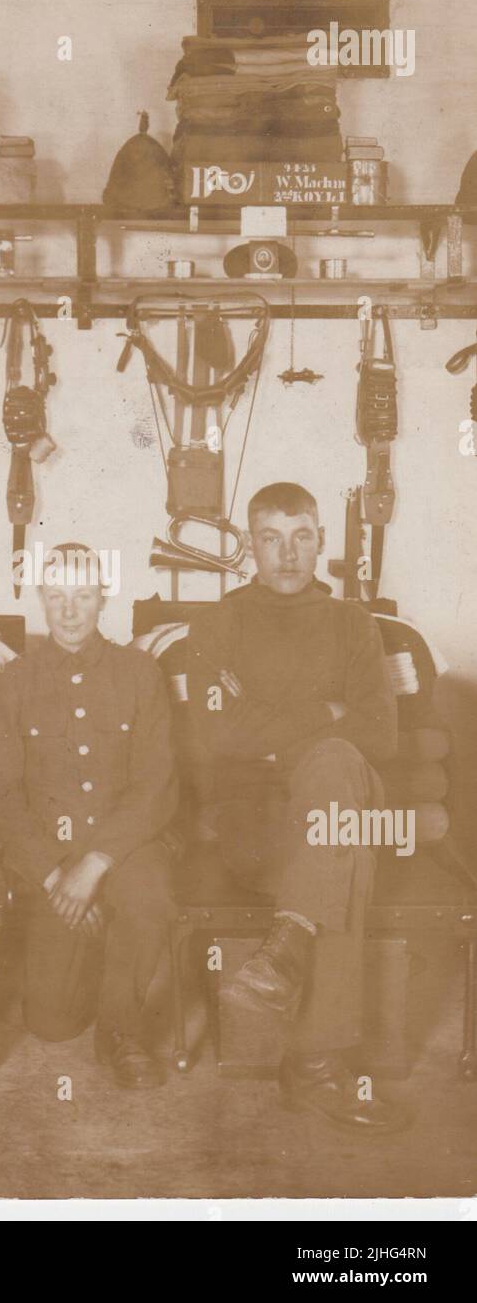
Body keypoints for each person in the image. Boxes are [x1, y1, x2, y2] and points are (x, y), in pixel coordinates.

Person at [186, 482, 406, 1132]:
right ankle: (314, 1068)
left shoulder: (351, 623)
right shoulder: (217, 623)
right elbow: (217, 736)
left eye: (302, 536)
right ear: (250, 545)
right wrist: (327, 713)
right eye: (272, 538)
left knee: (338, 778)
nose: (287, 553)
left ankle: (285, 954)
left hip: (330, 808)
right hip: (253, 824)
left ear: (320, 542)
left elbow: (383, 736)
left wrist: (264, 720)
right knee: (344, 840)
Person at [0, 543, 179, 1088]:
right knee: (50, 1023)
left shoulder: (140, 674)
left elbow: (155, 784)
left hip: (125, 848)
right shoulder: (14, 680)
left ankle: (123, 1031)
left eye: (84, 596)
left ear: (103, 599)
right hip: (50, 860)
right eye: (58, 596)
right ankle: (98, 944)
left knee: (147, 890)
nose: (70, 611)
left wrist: (93, 866)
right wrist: (53, 877)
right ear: (41, 597)